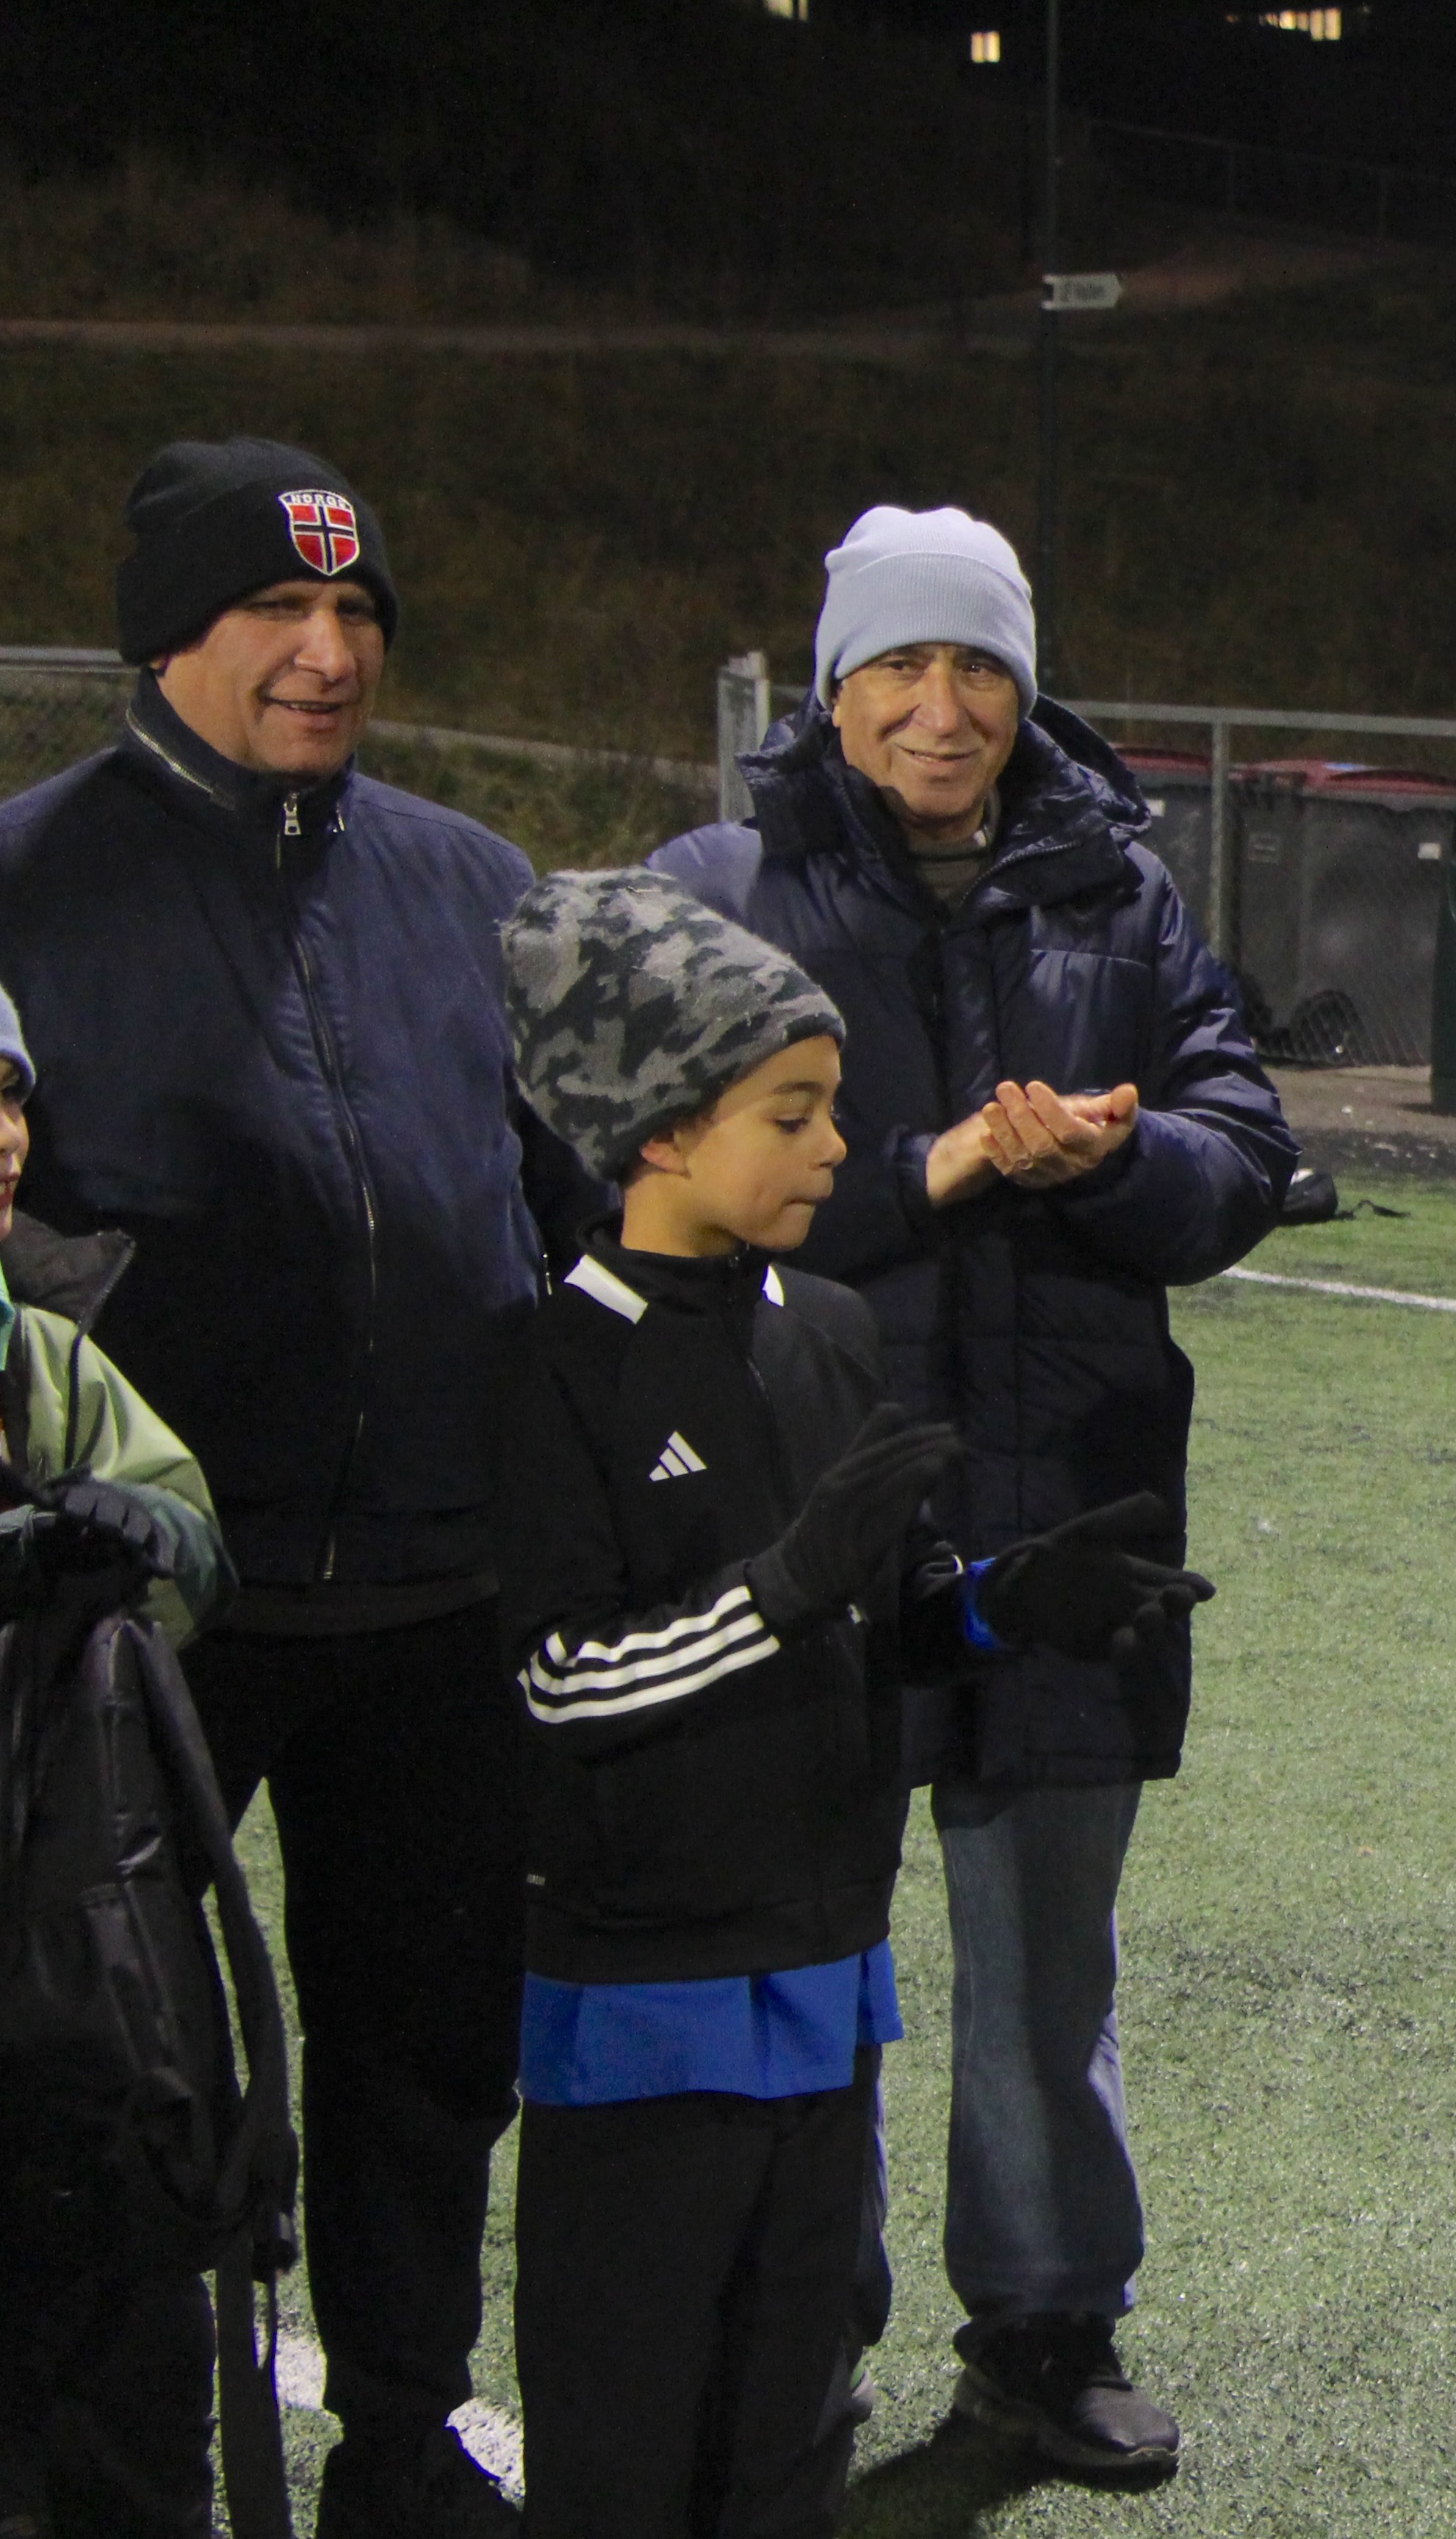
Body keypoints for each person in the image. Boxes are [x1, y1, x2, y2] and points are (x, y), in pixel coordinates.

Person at [649, 506, 1294, 2471]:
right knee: (807, 1946)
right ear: (834, 683)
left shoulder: (1120, 887)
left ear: (1027, 682)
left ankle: (1041, 2327)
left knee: (1041, 1963)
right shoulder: (730, 887)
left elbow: (1242, 1149)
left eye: (980, 669)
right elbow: (665, 1178)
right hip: (807, 1499)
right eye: (900, 670)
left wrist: (1108, 1157)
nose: (943, 710)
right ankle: (797, 2344)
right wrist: (925, 1173)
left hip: (1067, 1495)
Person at [0, 438, 599, 2538]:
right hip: (147, 1611)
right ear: (171, 633)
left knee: (430, 2049)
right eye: (283, 615)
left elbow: (570, 1193)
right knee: (117, 2062)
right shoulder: (24, 877)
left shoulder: (468, 879)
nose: (331, 656)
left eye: (359, 620)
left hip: (441, 1584)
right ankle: (116, 2445)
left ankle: (407, 2428)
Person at [491, 871, 1214, 2539]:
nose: (842, 1149)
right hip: (641, 2002)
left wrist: (998, 1606)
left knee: (792, 2431)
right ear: (662, 1130)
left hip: (825, 1982)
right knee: (628, 2438)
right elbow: (556, 1680)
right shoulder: (549, 1368)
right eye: (795, 1114)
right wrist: (779, 1590)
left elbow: (878, 1617)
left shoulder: (825, 1332)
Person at [0, 979, 241, 2539]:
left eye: (11, 1104)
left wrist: (141, 1542)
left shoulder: (44, 1356)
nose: (4, 1142)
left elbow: (188, 1544)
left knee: (112, 2327)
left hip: (51, 1938)